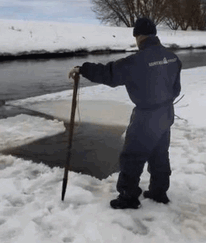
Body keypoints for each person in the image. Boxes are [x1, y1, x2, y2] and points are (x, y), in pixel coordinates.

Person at [68, 17, 182, 209]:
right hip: (166, 113)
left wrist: (83, 69)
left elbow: (109, 73)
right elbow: (176, 89)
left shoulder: (136, 61)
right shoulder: (172, 57)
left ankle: (128, 198)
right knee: (159, 154)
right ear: (154, 34)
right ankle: (159, 192)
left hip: (146, 117)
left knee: (132, 157)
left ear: (138, 36)